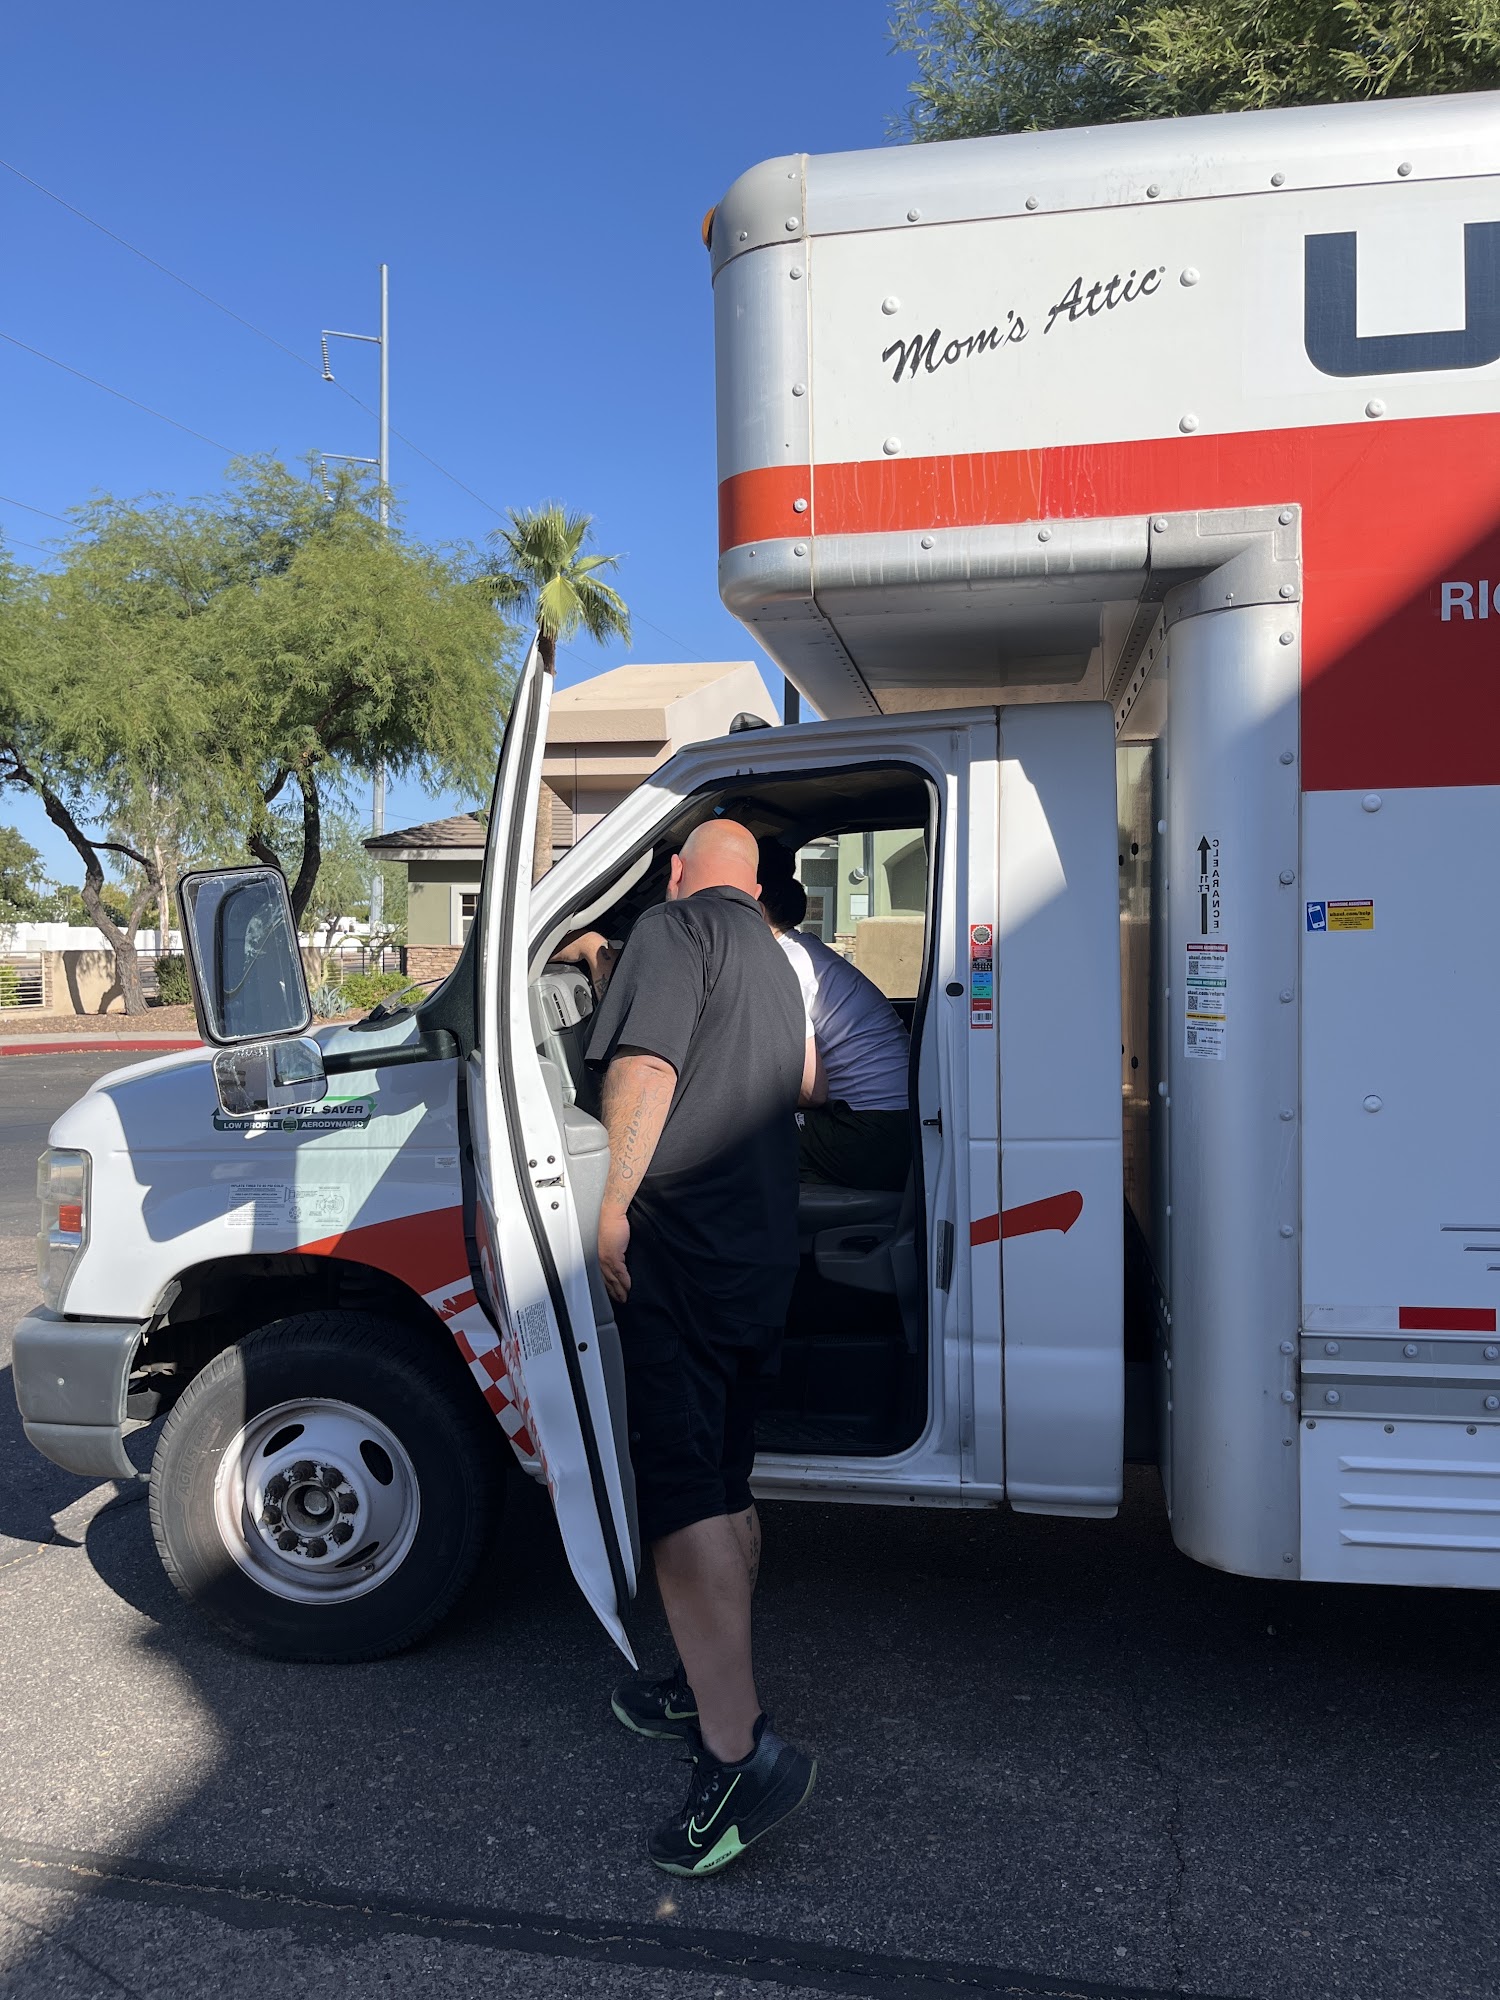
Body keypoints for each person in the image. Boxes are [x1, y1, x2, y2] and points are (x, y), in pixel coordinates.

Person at [584, 817, 818, 1877]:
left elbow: (645, 1068)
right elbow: (801, 1078)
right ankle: (698, 1676)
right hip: (758, 1252)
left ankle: (737, 1754)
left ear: (675, 871)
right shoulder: (775, 954)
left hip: (678, 1250)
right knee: (725, 1477)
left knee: (682, 1499)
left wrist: (611, 1207)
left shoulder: (672, 929)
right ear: (756, 883)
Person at [758, 870, 913, 1194]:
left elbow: (812, 1093)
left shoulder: (784, 964)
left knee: (738, 1137)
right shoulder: (803, 948)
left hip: (872, 1131)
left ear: (758, 909)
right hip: (900, 1122)